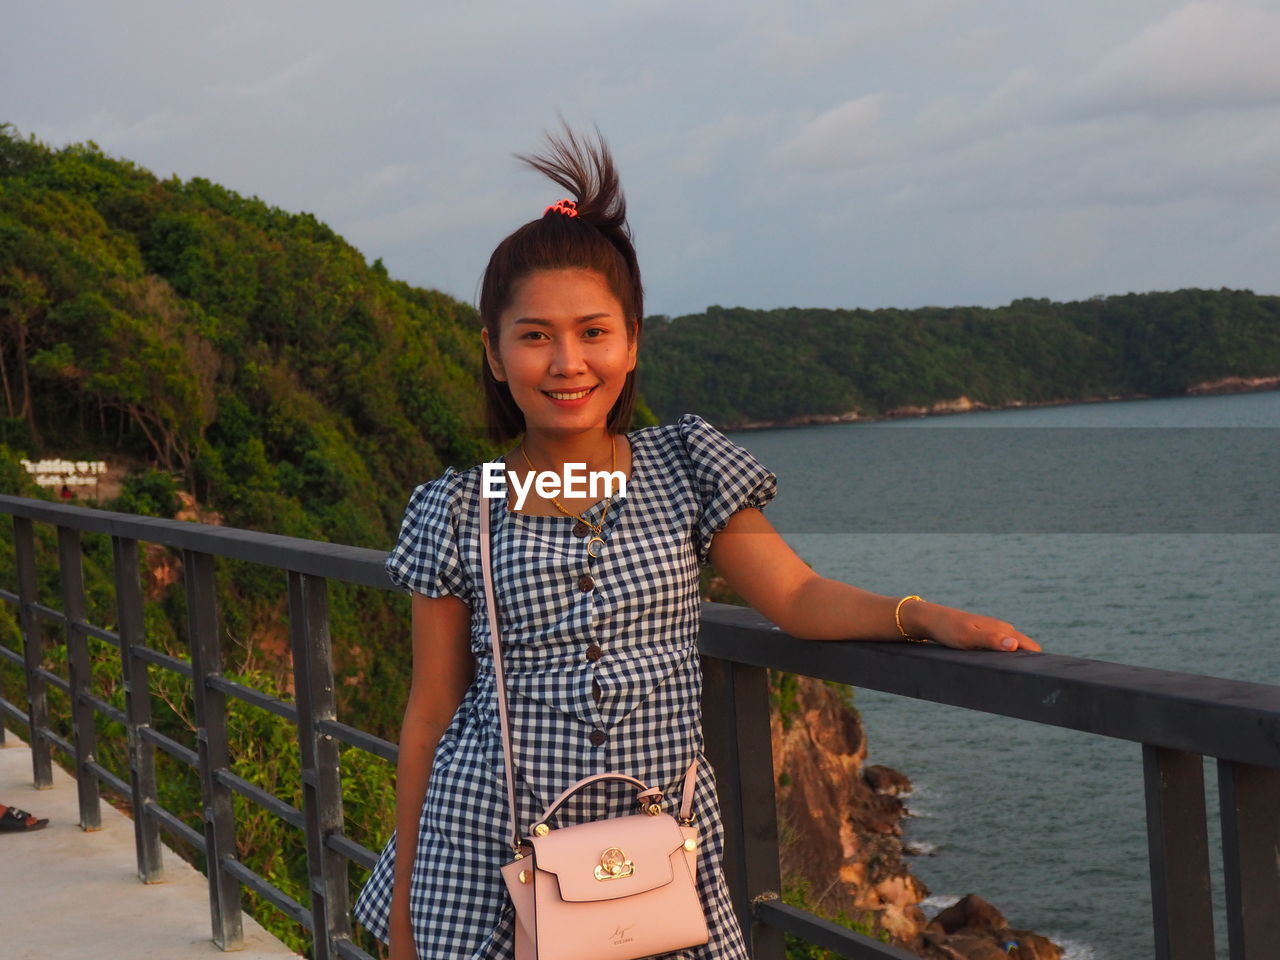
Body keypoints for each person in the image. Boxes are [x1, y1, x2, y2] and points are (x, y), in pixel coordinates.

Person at [353, 127, 1040, 960]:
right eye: (535, 336)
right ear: (494, 356)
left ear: (632, 340)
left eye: (593, 332)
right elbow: (429, 713)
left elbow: (794, 595)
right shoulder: (460, 505)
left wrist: (922, 615)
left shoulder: (685, 466)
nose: (567, 361)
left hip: (650, 849)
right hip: (486, 852)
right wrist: (404, 924)